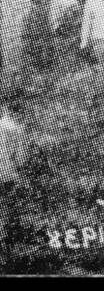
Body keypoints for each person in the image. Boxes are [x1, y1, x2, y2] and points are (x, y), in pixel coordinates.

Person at [0, 98, 27, 266]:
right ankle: (5, 253)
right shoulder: (18, 129)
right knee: (7, 212)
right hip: (8, 176)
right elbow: (22, 159)